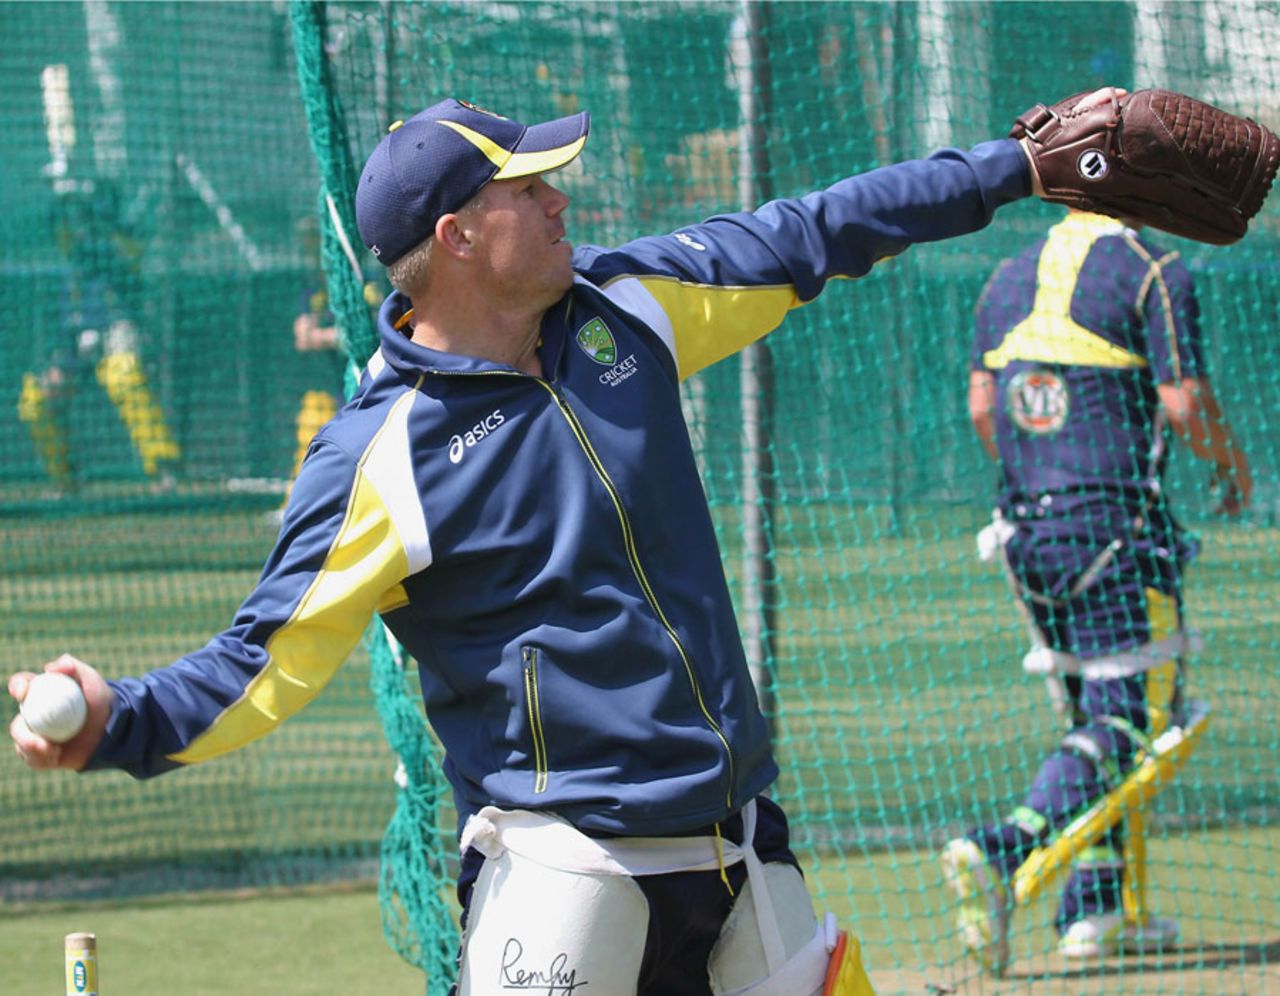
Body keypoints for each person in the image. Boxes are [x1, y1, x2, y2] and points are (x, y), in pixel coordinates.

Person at [11, 90, 1122, 995]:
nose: (558, 201)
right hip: (566, 874)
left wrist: (1016, 168)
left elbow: (820, 226)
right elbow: (263, 660)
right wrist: (117, 720)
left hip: (740, 851)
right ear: (456, 238)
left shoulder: (625, 306)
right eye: (526, 189)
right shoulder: (378, 456)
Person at [943, 206, 1252, 974]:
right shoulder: (1153, 269)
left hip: (1025, 539)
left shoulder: (1007, 275)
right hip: (1117, 537)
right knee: (1140, 723)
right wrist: (1232, 464)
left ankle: (1097, 907)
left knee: (1092, 719)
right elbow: (1183, 404)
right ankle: (1003, 848)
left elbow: (983, 408)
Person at [18, 176, 180, 494]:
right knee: (34, 401)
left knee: (124, 377)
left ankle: (163, 469)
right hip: (75, 331)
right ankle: (66, 479)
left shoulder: (122, 239)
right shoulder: (70, 242)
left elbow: (125, 245)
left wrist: (94, 212)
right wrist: (62, 191)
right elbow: (56, 223)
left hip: (116, 323)